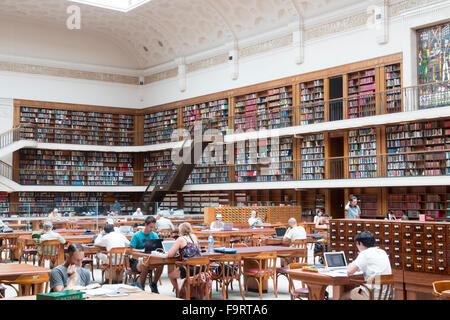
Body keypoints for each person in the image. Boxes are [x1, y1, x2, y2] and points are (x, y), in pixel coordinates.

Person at [343, 231, 392, 300]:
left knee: (345, 296)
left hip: (370, 294)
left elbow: (349, 271)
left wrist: (350, 264)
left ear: (360, 243)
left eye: (357, 244)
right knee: (356, 290)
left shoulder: (365, 253)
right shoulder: (382, 252)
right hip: (385, 295)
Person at [129, 215, 163, 293]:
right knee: (144, 264)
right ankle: (142, 287)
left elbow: (158, 248)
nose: (152, 229)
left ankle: (154, 284)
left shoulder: (154, 235)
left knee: (161, 265)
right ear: (145, 225)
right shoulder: (136, 235)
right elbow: (131, 250)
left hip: (150, 259)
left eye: (153, 227)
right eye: (150, 227)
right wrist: (142, 250)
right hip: (136, 260)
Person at [167, 222, 202, 296]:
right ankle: (190, 292)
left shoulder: (180, 239)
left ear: (181, 231)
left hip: (189, 269)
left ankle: (179, 293)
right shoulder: (194, 237)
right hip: (201, 268)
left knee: (170, 275)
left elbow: (170, 255)